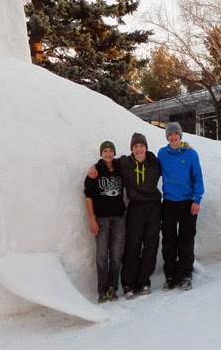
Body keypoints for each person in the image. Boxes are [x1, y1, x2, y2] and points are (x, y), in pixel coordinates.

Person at [87, 132, 162, 299]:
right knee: (132, 245)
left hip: (153, 207)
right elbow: (107, 162)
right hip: (135, 207)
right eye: (135, 146)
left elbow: (174, 162)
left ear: (146, 147)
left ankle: (144, 282)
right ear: (132, 149)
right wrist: (93, 167)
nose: (139, 149)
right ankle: (128, 283)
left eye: (141, 145)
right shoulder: (125, 162)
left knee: (151, 245)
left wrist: (186, 146)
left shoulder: (156, 162)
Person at [159, 122, 204, 291]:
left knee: (186, 239)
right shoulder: (162, 154)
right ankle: (170, 275)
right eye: (170, 134)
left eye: (175, 134)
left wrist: (197, 200)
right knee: (169, 239)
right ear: (167, 137)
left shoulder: (191, 154)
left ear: (180, 136)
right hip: (169, 203)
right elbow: (146, 164)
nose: (173, 137)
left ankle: (185, 275)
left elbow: (198, 177)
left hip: (187, 202)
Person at [84, 141, 125, 303]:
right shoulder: (95, 171)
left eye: (110, 151)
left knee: (116, 254)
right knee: (102, 255)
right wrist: (92, 218)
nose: (108, 154)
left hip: (119, 218)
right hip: (101, 218)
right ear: (101, 153)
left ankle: (112, 287)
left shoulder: (120, 167)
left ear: (114, 153)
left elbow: (132, 158)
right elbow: (88, 197)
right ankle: (101, 290)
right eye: (105, 151)